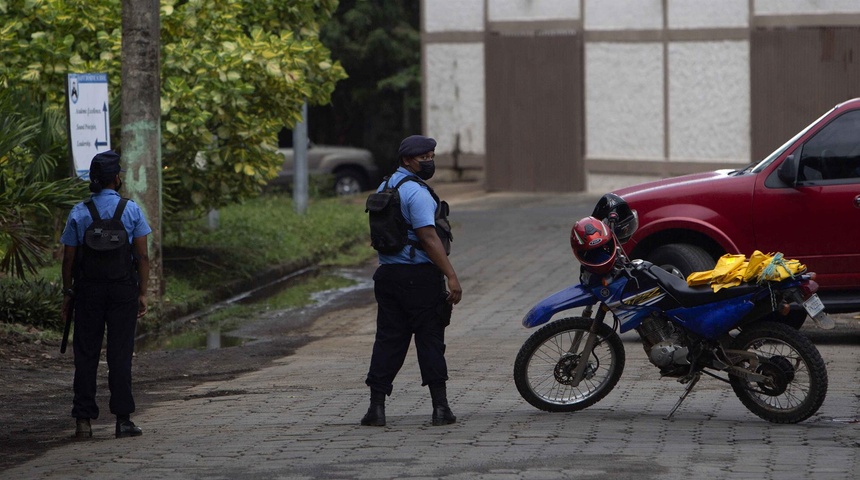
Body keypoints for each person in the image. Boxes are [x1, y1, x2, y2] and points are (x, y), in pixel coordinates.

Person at [361, 135, 463, 427]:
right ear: (407, 160)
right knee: (430, 340)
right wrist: (451, 275)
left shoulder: (386, 185)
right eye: (424, 157)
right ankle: (441, 409)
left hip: (388, 276)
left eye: (432, 155)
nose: (429, 161)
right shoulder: (416, 192)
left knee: (388, 340)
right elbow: (429, 238)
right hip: (419, 278)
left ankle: (376, 409)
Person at [60, 150, 151, 439]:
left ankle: (83, 421)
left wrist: (68, 293)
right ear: (116, 178)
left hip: (88, 292)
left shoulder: (79, 211)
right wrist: (143, 293)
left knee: (85, 354)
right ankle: (123, 420)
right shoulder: (131, 210)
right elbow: (143, 257)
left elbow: (68, 259)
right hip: (123, 289)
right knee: (120, 353)